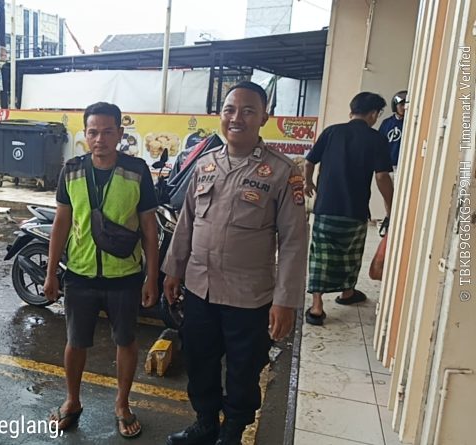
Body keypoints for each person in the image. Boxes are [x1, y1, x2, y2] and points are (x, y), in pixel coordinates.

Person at [162, 81, 309, 445]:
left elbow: (293, 241)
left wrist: (285, 301)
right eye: (229, 110)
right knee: (199, 361)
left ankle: (232, 432)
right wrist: (173, 270)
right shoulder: (206, 164)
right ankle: (205, 423)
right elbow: (187, 222)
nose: (236, 118)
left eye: (247, 111)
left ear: (264, 118)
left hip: (249, 297)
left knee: (244, 370)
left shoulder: (282, 172)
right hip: (200, 289)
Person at [43, 102, 159, 439]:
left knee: (126, 340)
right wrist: (51, 272)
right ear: (85, 134)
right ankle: (72, 401)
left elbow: (149, 228)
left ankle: (122, 404)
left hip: (124, 275)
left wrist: (152, 277)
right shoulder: (72, 170)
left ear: (120, 134)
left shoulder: (137, 170)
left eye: (108, 132)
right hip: (79, 274)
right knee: (75, 342)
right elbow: (61, 223)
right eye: (93, 132)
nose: (100, 139)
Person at [303, 92, 394, 326]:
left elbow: (309, 161)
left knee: (320, 256)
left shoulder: (331, 132)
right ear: (373, 114)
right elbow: (382, 176)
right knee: (351, 254)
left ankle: (317, 306)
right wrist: (391, 206)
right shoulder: (376, 139)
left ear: (352, 110)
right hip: (355, 209)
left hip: (325, 207)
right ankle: (346, 293)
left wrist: (308, 182)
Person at [378, 90, 408, 170]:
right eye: (401, 105)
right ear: (395, 106)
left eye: (406, 105)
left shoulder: (411, 123)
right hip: (388, 164)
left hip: (404, 164)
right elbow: (379, 143)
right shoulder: (387, 123)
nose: (404, 107)